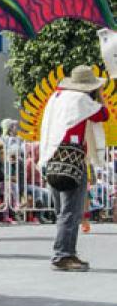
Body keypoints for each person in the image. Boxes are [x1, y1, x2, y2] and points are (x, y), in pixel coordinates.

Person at [39, 64, 109, 271]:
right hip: (71, 158)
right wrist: (100, 96)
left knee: (63, 211)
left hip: (52, 155)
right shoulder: (82, 100)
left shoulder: (56, 98)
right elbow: (103, 115)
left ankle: (66, 252)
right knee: (71, 211)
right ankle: (63, 255)